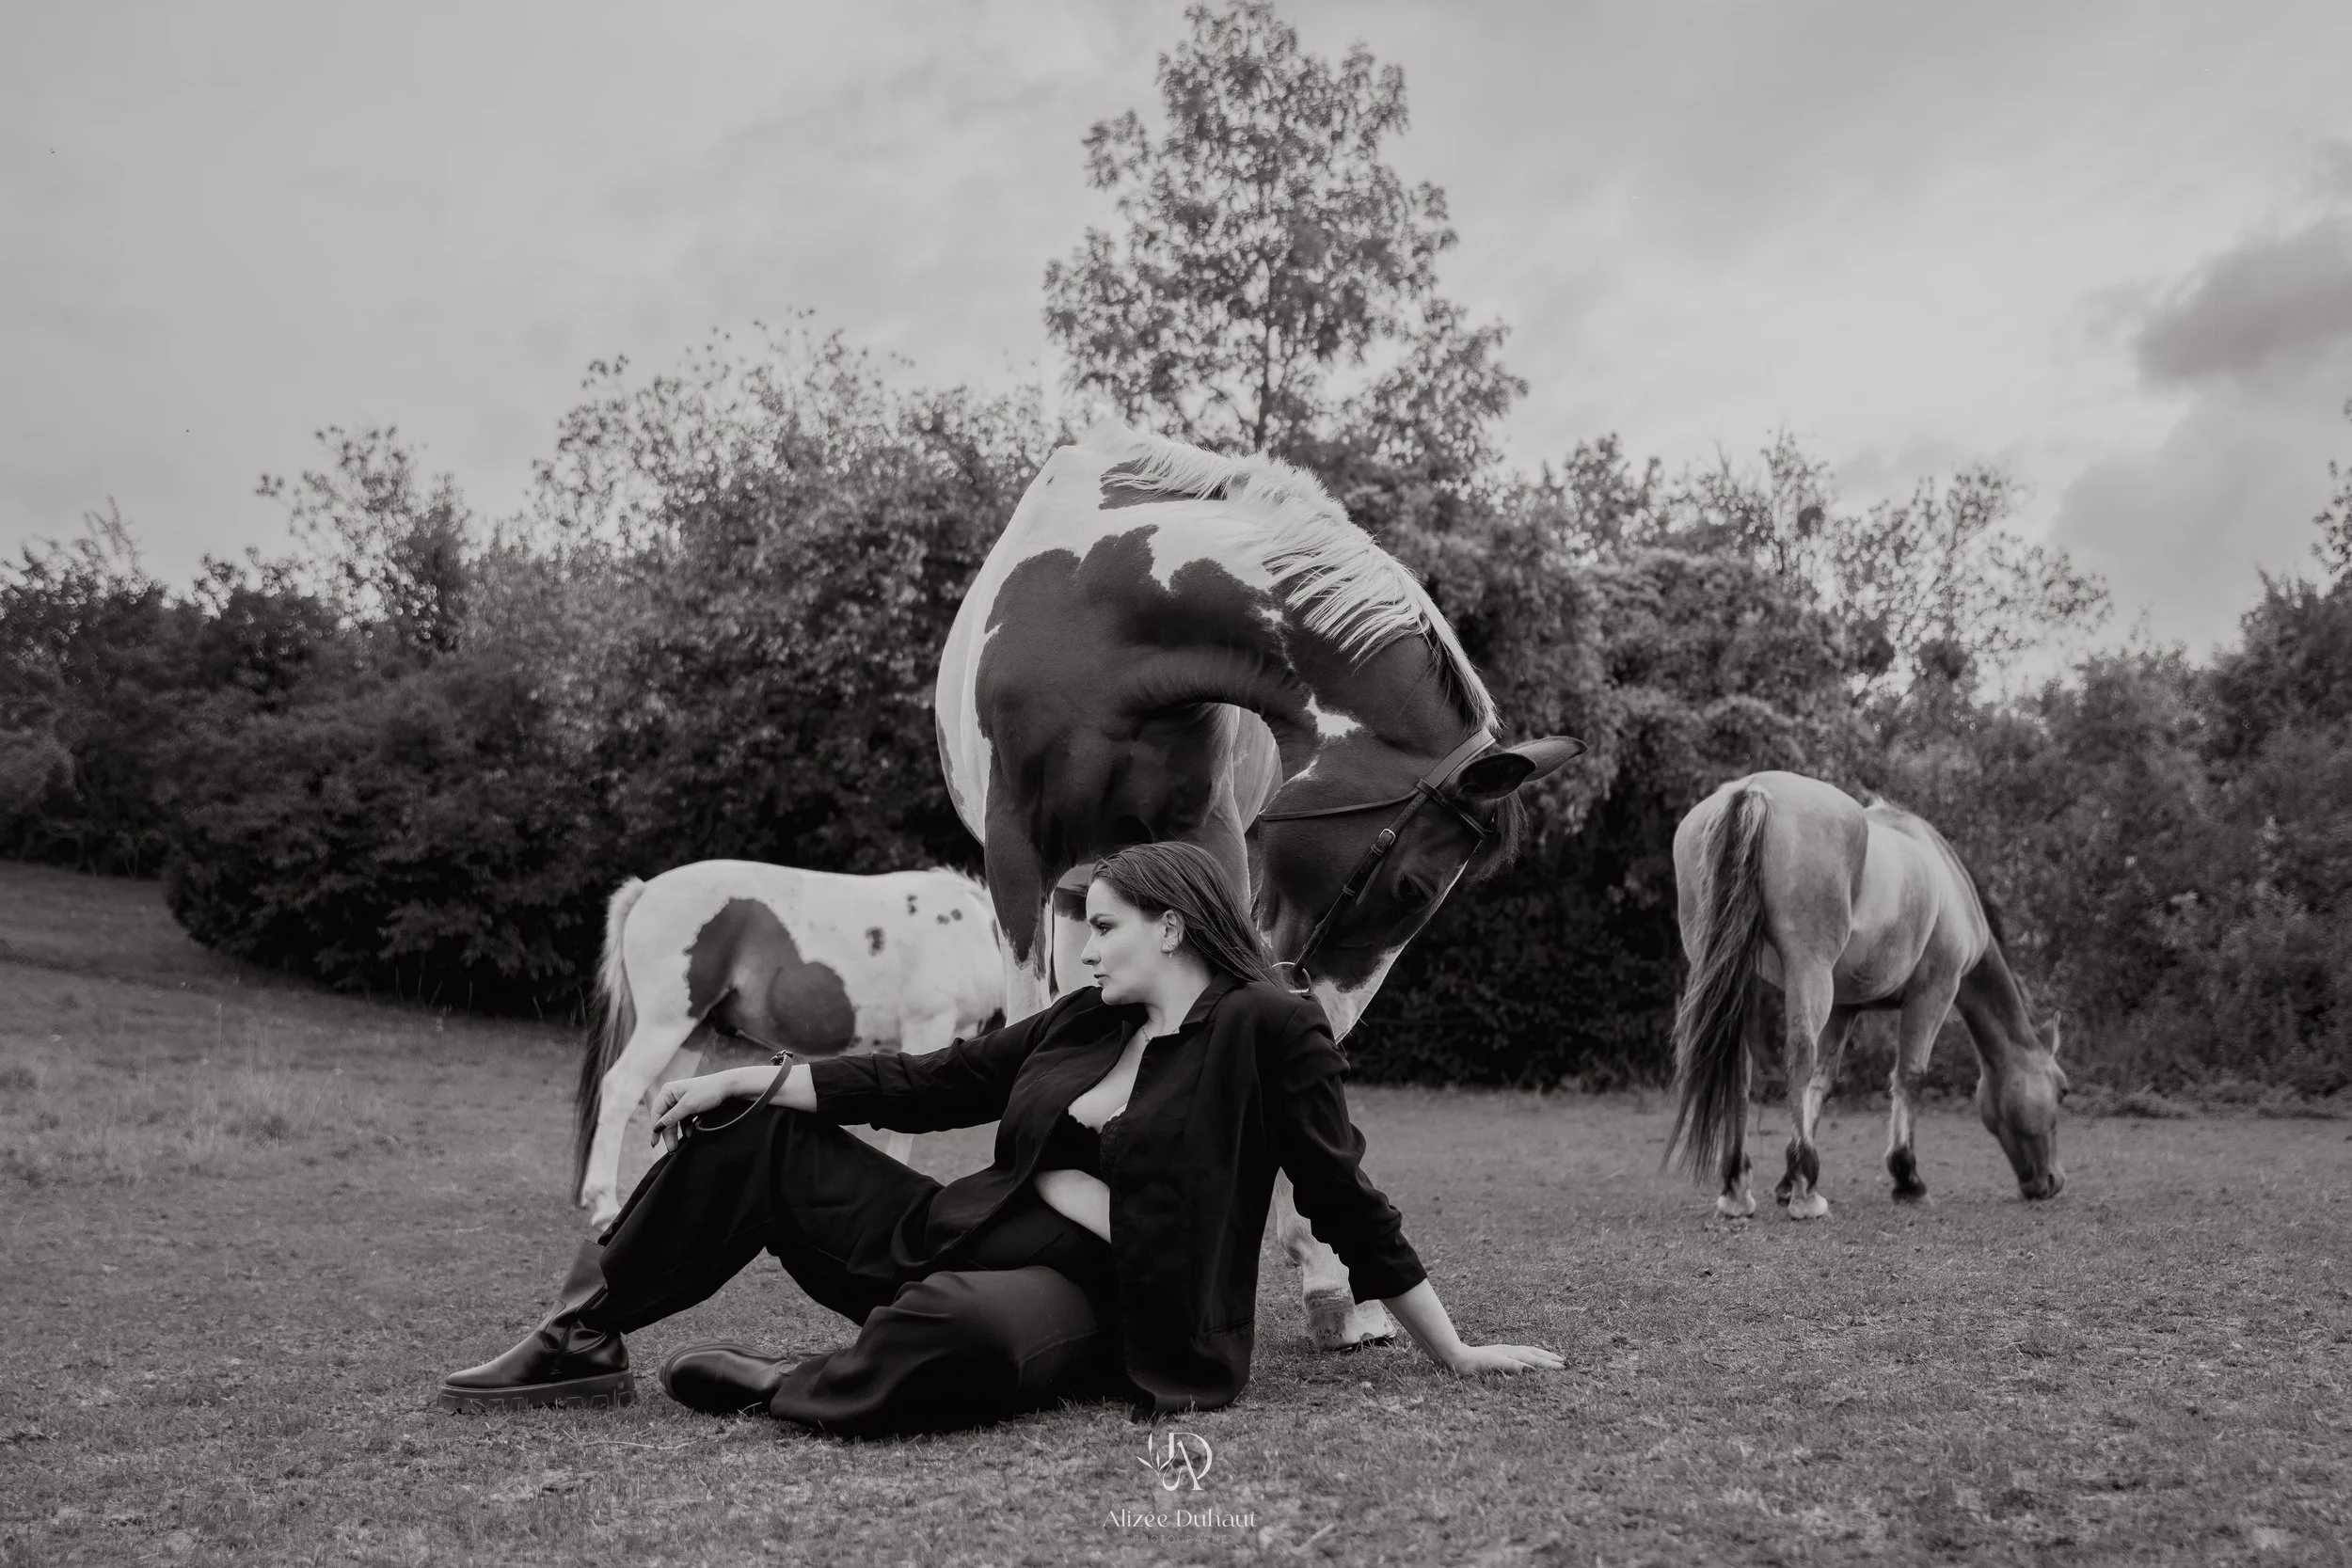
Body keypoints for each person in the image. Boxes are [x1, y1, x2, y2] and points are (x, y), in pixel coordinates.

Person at [438, 842, 1562, 1433]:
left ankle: (795, 1385)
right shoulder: (1086, 1013)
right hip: (958, 1231)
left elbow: (1344, 1196)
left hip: (1102, 1303)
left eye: (1107, 930)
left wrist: (1451, 1349)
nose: (1087, 951)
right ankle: (582, 1339)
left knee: (964, 1325)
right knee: (747, 1130)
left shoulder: (1269, 1026)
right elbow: (929, 1081)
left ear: (1172, 926)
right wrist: (753, 1072)